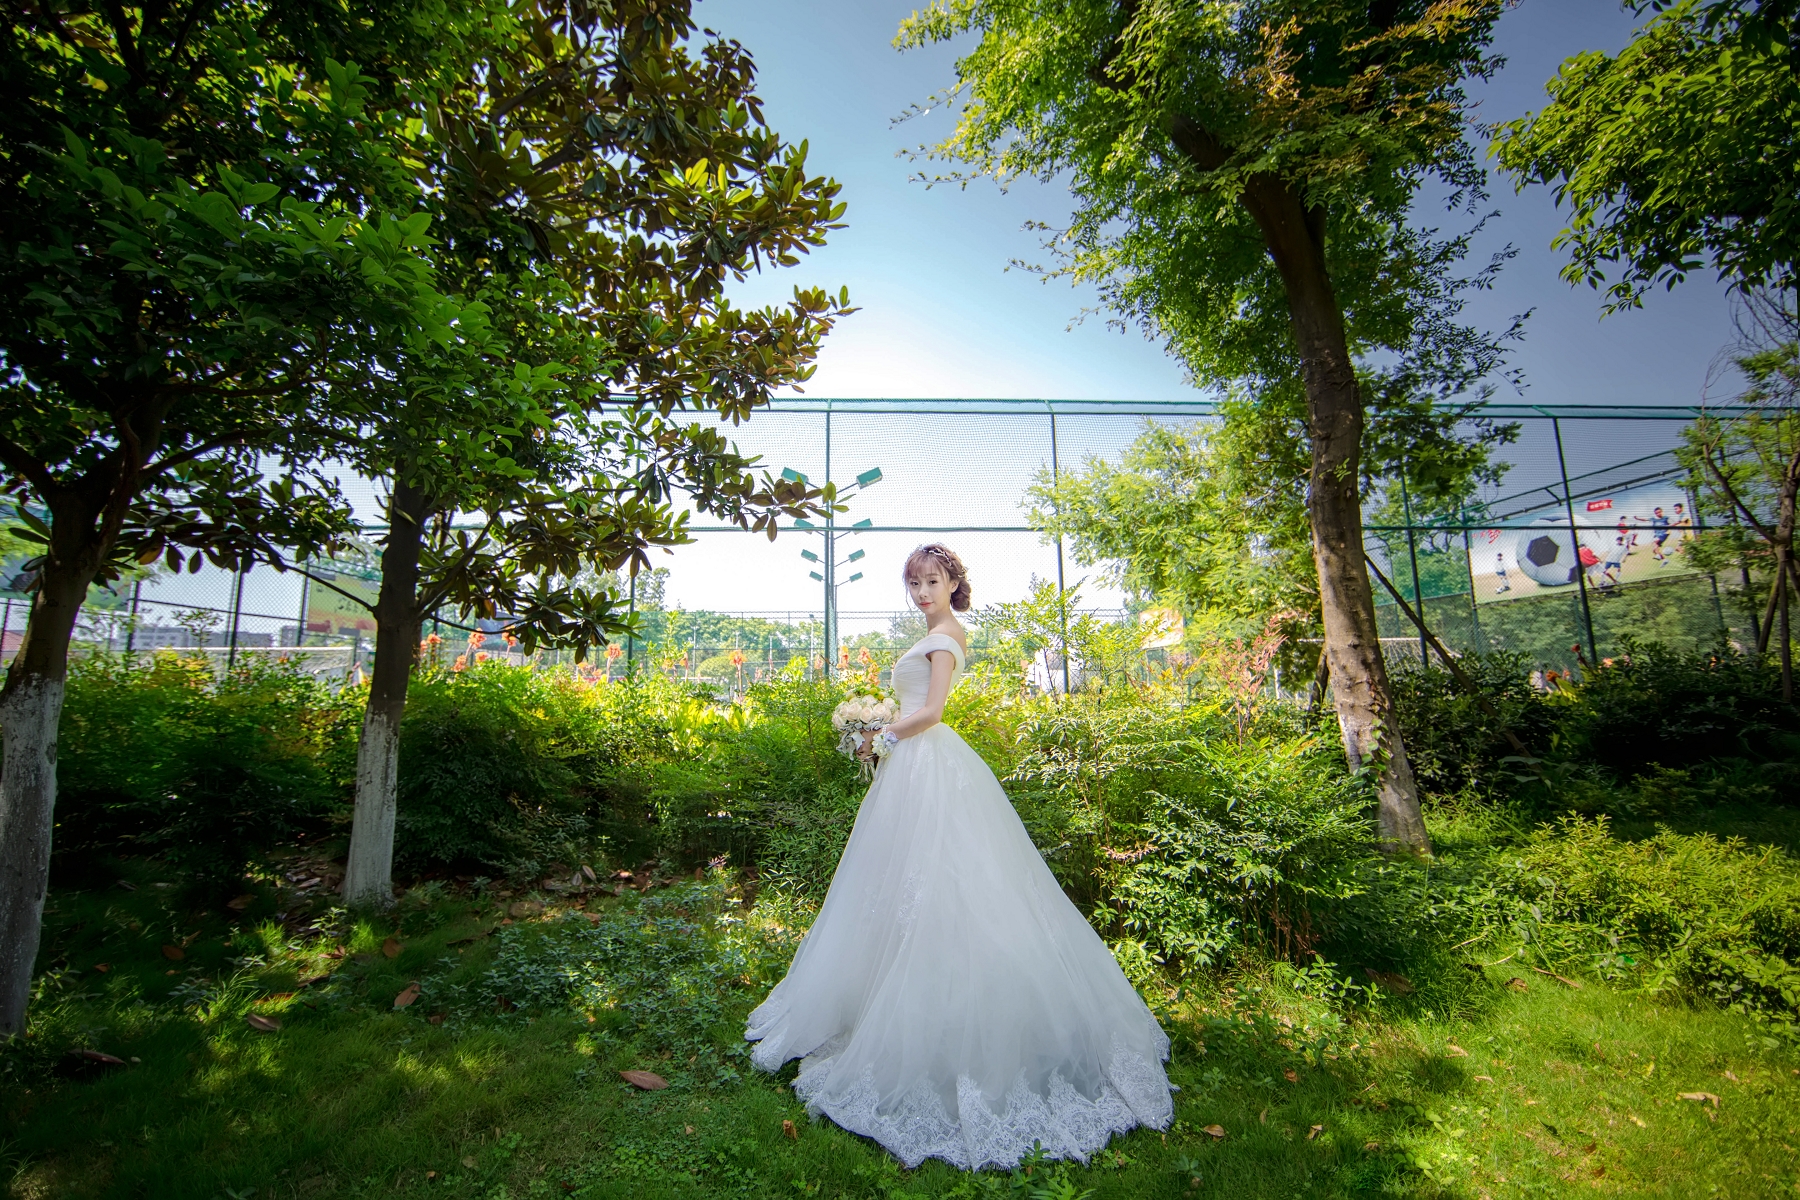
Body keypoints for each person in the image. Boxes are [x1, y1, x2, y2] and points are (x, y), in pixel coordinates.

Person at [745, 544, 1173, 1169]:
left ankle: (955, 1019)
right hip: (913, 769)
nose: (922, 592)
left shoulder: (945, 638)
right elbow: (916, 709)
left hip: (931, 765)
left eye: (932, 581)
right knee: (896, 888)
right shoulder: (933, 633)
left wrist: (880, 733)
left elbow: (934, 712)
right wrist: (880, 733)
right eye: (914, 583)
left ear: (953, 584)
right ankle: (881, 1003)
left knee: (947, 888)